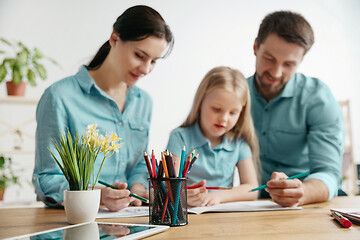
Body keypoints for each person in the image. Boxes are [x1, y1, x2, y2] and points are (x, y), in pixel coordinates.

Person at [32, 5, 174, 211]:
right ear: (114, 39)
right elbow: (47, 179)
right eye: (139, 56)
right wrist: (97, 194)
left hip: (128, 221)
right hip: (75, 220)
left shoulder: (143, 102)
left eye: (153, 61)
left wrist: (137, 186)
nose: (146, 69)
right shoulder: (60, 97)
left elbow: (138, 164)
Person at [248, 11, 343, 207]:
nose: (276, 72)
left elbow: (329, 173)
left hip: (309, 198)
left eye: (289, 64)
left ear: (300, 61)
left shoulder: (318, 98)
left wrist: (303, 192)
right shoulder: (233, 95)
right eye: (269, 58)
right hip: (257, 202)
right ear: (256, 46)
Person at [166, 66, 259, 207]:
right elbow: (168, 185)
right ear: (200, 103)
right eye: (217, 109)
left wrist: (219, 196)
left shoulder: (239, 143)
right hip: (188, 214)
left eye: (233, 113)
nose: (224, 118)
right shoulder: (180, 137)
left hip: (221, 217)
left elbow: (252, 189)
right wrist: (183, 196)